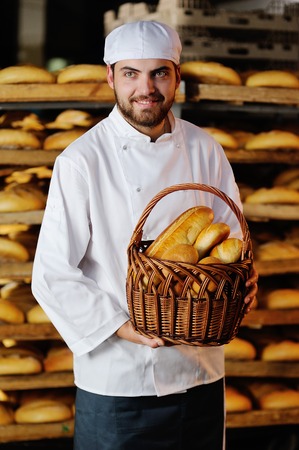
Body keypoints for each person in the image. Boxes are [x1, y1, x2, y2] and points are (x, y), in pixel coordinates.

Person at [31, 20, 258, 450]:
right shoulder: (81, 160)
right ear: (110, 77)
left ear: (177, 76)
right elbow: (52, 274)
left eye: (159, 72)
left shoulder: (206, 148)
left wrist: (247, 277)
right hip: (119, 380)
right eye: (131, 73)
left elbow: (235, 242)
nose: (146, 88)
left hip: (201, 373)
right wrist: (122, 327)